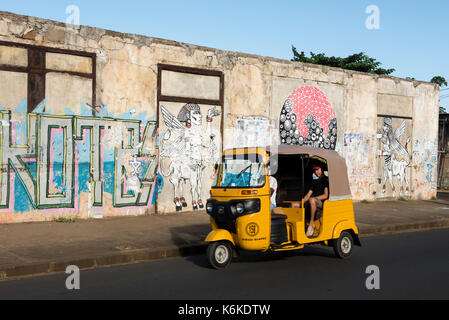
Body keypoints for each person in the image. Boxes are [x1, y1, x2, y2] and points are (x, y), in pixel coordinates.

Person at [303, 164, 329, 237]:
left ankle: (311, 224)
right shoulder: (315, 182)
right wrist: (301, 202)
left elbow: (325, 195)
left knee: (312, 200)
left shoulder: (326, 180)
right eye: (314, 170)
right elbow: (308, 195)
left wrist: (314, 198)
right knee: (294, 204)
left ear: (321, 170)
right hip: (314, 200)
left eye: (317, 170)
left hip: (323, 202)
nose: (316, 172)